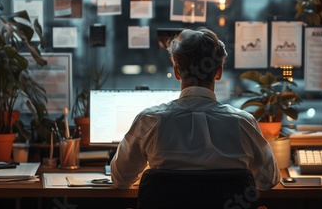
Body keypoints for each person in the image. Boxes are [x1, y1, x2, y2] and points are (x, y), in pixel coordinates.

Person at [110, 28, 279, 191]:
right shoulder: (243, 123)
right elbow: (268, 180)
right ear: (219, 72)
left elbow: (120, 179)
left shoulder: (149, 120)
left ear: (177, 72)